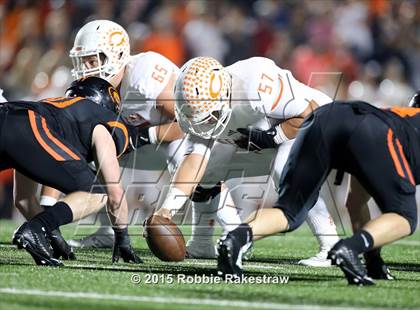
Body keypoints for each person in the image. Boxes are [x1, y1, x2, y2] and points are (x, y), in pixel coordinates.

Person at [152, 56, 339, 265]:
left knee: (284, 170)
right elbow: (193, 164)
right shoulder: (205, 104)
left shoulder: (253, 85)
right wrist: (166, 210)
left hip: (313, 125)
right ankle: (203, 243)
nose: (203, 125)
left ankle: (331, 247)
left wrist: (272, 137)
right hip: (259, 140)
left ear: (223, 95)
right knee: (205, 173)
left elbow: (310, 113)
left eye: (209, 117)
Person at [217, 94, 420, 285]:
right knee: (405, 216)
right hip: (371, 129)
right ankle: (348, 249)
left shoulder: (402, 124)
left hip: (326, 116)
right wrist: (354, 247)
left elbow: (356, 202)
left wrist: (373, 262)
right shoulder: (402, 131)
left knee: (289, 211)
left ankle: (234, 239)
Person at [5, 76, 143, 266]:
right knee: (97, 194)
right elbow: (114, 193)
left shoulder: (54, 108)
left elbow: (23, 199)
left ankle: (38, 231)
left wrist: (53, 236)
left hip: (12, 113)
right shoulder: (103, 121)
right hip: (30, 125)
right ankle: (35, 230)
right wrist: (123, 239)